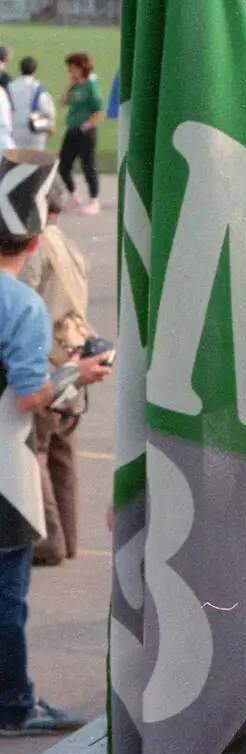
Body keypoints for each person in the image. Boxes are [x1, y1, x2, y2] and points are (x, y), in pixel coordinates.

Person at [0, 151, 111, 735]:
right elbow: (28, 395)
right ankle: (12, 704)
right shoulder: (20, 305)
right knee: (8, 599)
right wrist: (79, 374)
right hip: (3, 470)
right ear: (36, 235)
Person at [22, 180, 102, 565]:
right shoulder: (70, 247)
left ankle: (49, 538)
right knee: (63, 453)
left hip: (49, 365)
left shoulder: (36, 250)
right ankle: (68, 537)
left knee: (36, 449)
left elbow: (27, 304)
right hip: (73, 361)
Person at [57, 51, 104, 215]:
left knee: (88, 165)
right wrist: (69, 85)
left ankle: (94, 200)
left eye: (72, 68)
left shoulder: (91, 84)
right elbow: (63, 102)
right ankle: (74, 195)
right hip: (72, 129)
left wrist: (88, 124)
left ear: (80, 67)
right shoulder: (75, 84)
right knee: (63, 165)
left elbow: (99, 110)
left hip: (86, 131)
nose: (71, 72)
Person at [7, 56, 56, 149]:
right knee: (33, 162)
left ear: (20, 69)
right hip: (34, 134)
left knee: (14, 162)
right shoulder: (38, 88)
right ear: (35, 70)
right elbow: (48, 111)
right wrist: (51, 127)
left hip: (14, 133)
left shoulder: (10, 88)